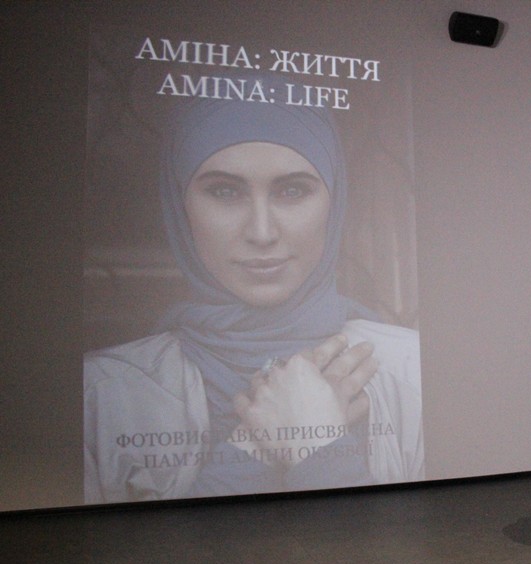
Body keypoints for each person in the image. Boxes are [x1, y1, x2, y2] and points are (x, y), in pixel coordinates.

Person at [84, 92, 424, 504]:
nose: (262, 232)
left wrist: (317, 453)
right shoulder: (101, 397)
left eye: (293, 191)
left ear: (334, 203)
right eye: (225, 193)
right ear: (179, 206)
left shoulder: (411, 371)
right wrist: (261, 447)